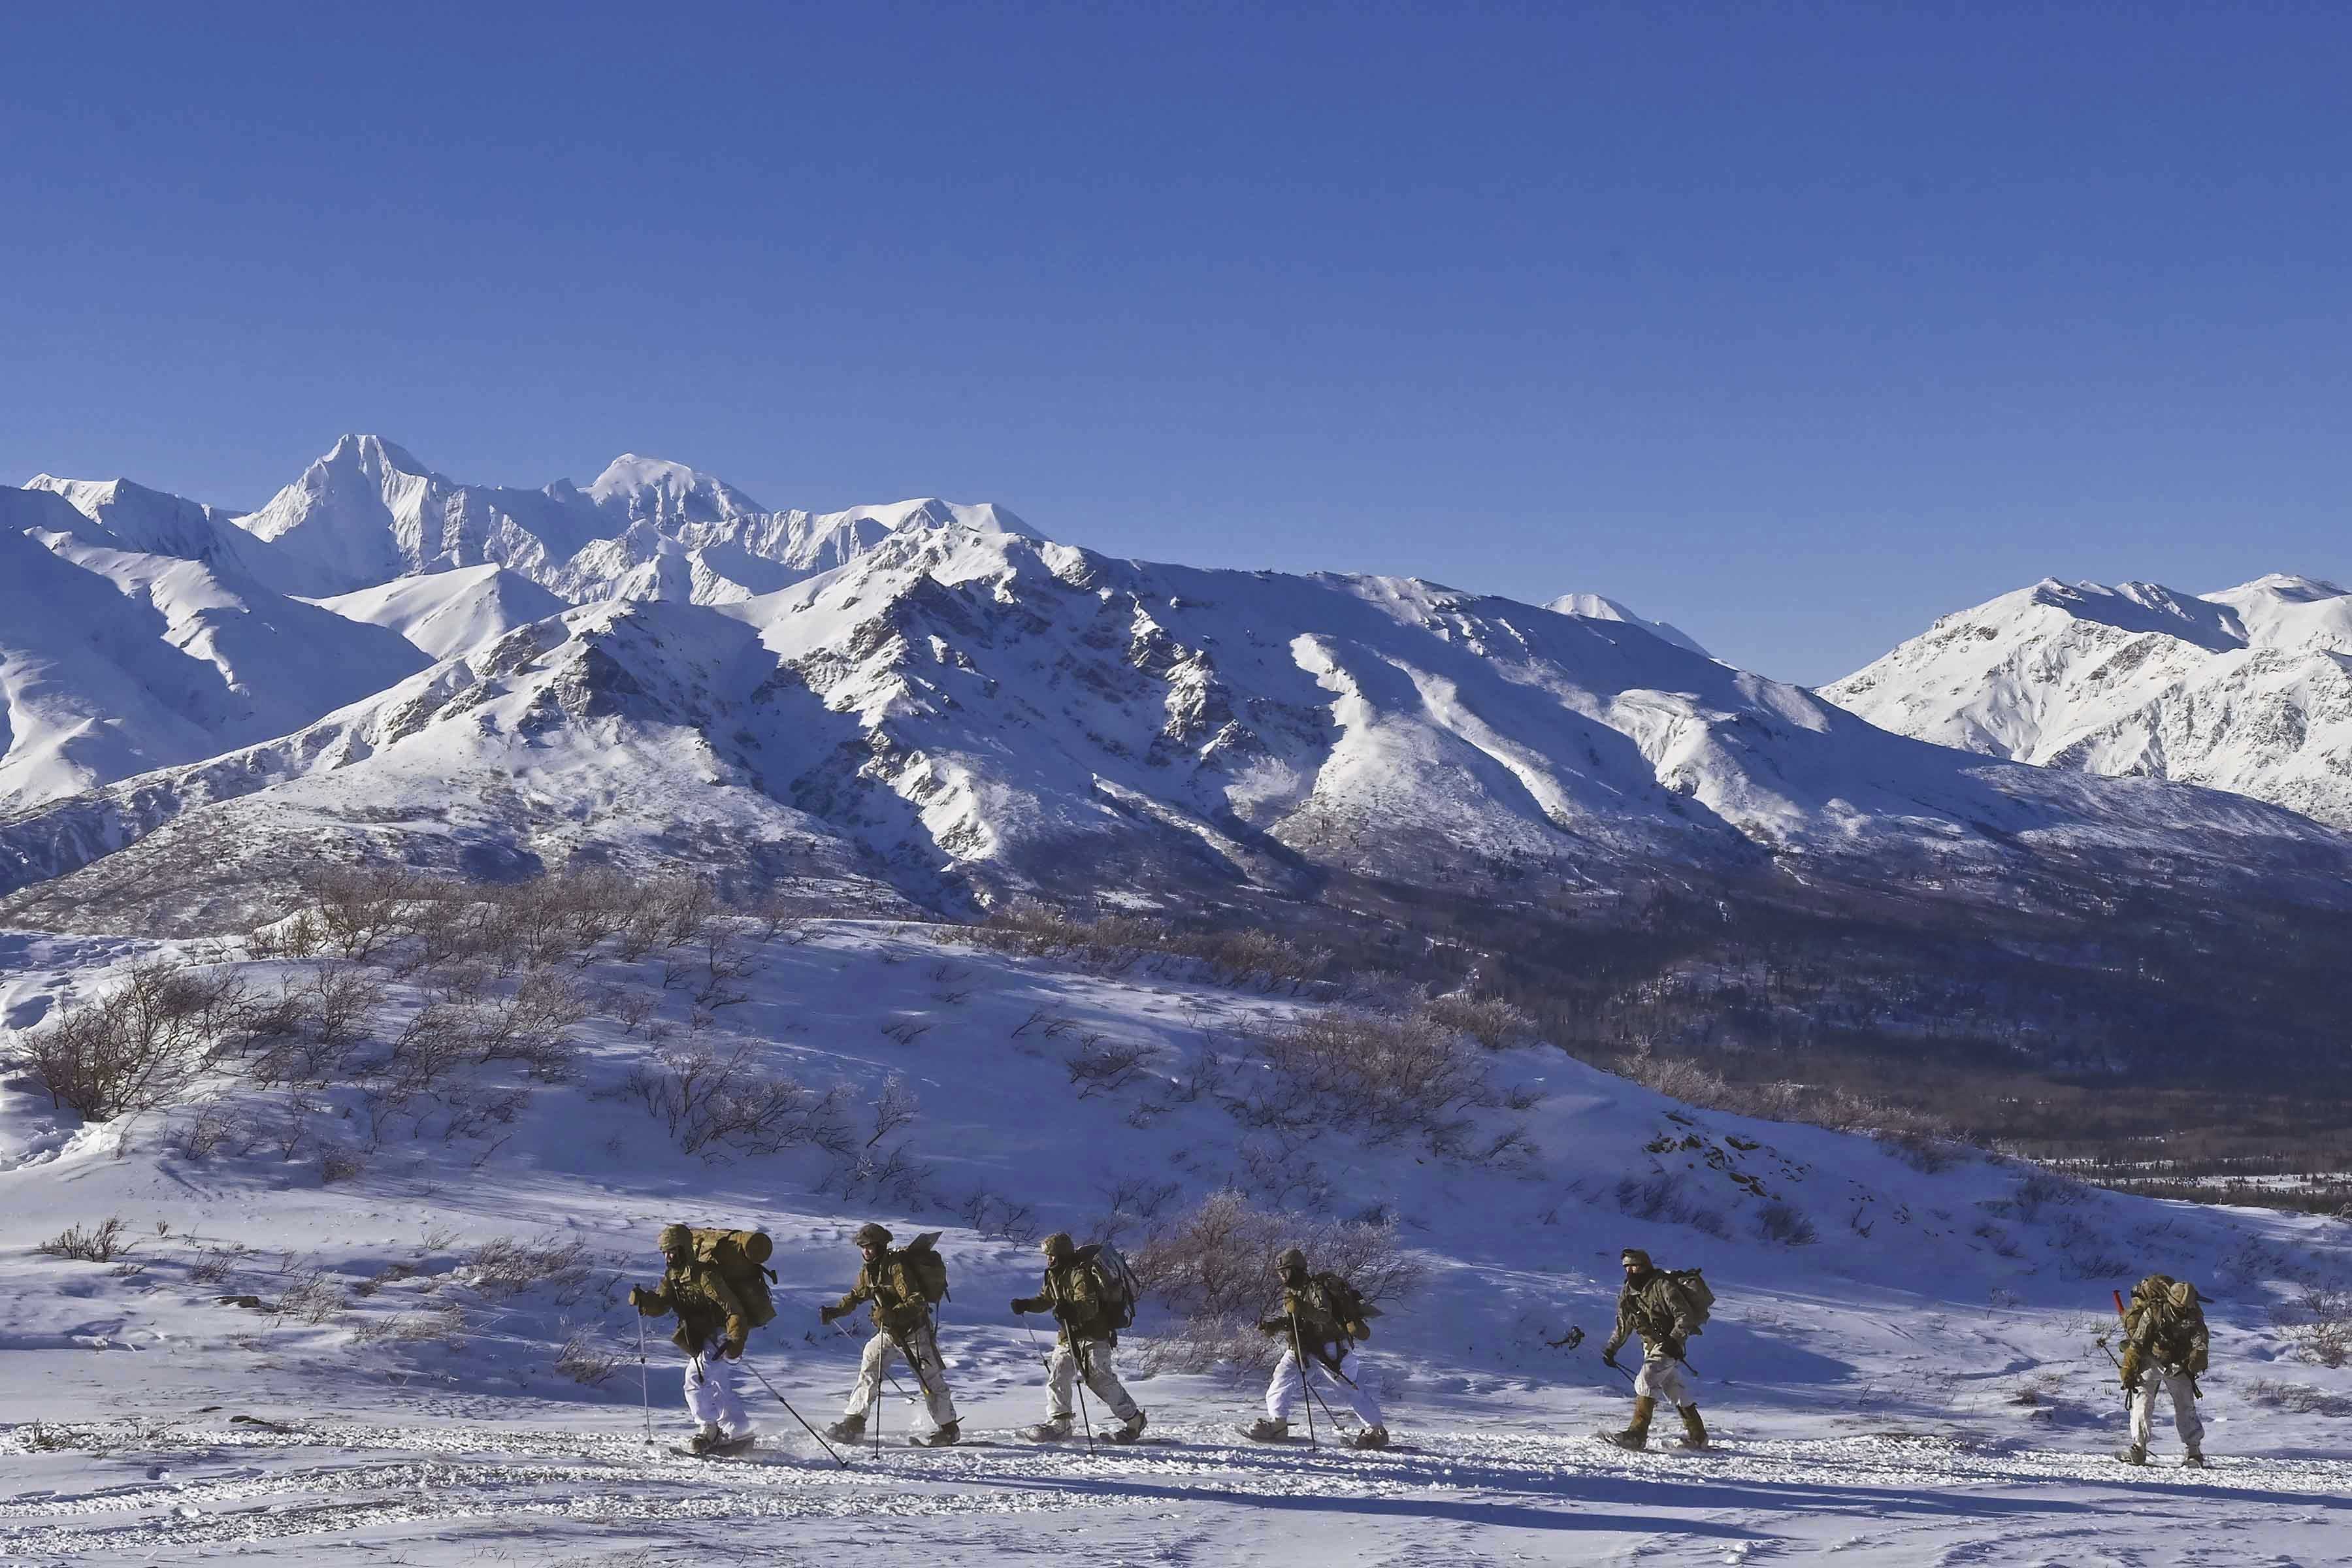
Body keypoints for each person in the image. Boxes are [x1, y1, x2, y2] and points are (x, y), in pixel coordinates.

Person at [819, 1222, 960, 1446]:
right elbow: (856, 1296)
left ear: (881, 1246)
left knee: (930, 1379)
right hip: (889, 1333)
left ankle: (949, 1429)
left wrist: (893, 1314)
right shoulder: (869, 1271)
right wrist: (837, 1311)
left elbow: (917, 1300)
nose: (865, 1251)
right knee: (869, 1366)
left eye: (869, 1246)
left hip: (914, 1333)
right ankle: (854, 1424)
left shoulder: (897, 1268)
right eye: (862, 1247)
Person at [629, 1223, 757, 1457]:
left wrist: (735, 1338)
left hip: (718, 1334)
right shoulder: (672, 1277)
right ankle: (739, 1430)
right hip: (699, 1336)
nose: (668, 1257)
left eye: (672, 1251)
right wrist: (645, 1301)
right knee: (716, 1382)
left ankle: (709, 1430)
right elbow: (662, 1304)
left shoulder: (705, 1275)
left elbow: (734, 1309)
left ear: (684, 1250)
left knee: (696, 1379)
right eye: (665, 1252)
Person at [1244, 1246, 1388, 1450]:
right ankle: (1278, 1424)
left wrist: (1300, 1307)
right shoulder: (1293, 1292)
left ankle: (1376, 1431)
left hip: (1331, 1348)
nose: (1282, 1277)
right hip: (1304, 1346)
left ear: (1296, 1270)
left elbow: (1324, 1316)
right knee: (1282, 1377)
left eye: (1285, 1272)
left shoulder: (1316, 1289)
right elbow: (1296, 1320)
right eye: (1280, 1273)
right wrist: (1274, 1326)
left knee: (1348, 1387)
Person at [1011, 1232, 1147, 1443]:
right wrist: (1026, 1305)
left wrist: (1071, 1312)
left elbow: (1089, 1305)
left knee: (1100, 1380)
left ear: (1061, 1255)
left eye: (1051, 1255)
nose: (1048, 1259)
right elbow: (1046, 1299)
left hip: (1094, 1335)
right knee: (1058, 1375)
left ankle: (1134, 1420)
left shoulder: (1078, 1274)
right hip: (1069, 1336)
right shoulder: (1054, 1275)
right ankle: (1060, 1423)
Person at [1601, 1247, 1708, 1451]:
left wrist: (1675, 1340)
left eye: (1635, 1266)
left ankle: (1637, 1434)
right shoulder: (1628, 1292)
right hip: (1649, 1347)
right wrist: (1611, 1349)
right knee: (1674, 1388)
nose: (1631, 1270)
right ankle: (1699, 1436)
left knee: (1647, 1378)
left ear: (1645, 1266)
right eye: (1627, 1267)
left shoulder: (1663, 1285)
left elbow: (1685, 1317)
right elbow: (1624, 1325)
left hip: (1670, 1346)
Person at [2117, 1273, 2208, 1467]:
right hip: (2152, 1359)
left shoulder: (2195, 1314)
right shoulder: (2154, 1312)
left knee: (2186, 1406)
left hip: (2180, 1364)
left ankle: (2194, 1451)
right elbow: (2137, 1344)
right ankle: (2138, 1447)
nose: (2185, 1310)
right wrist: (2129, 1369)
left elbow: (2201, 1340)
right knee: (2142, 1402)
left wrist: (2198, 1356)